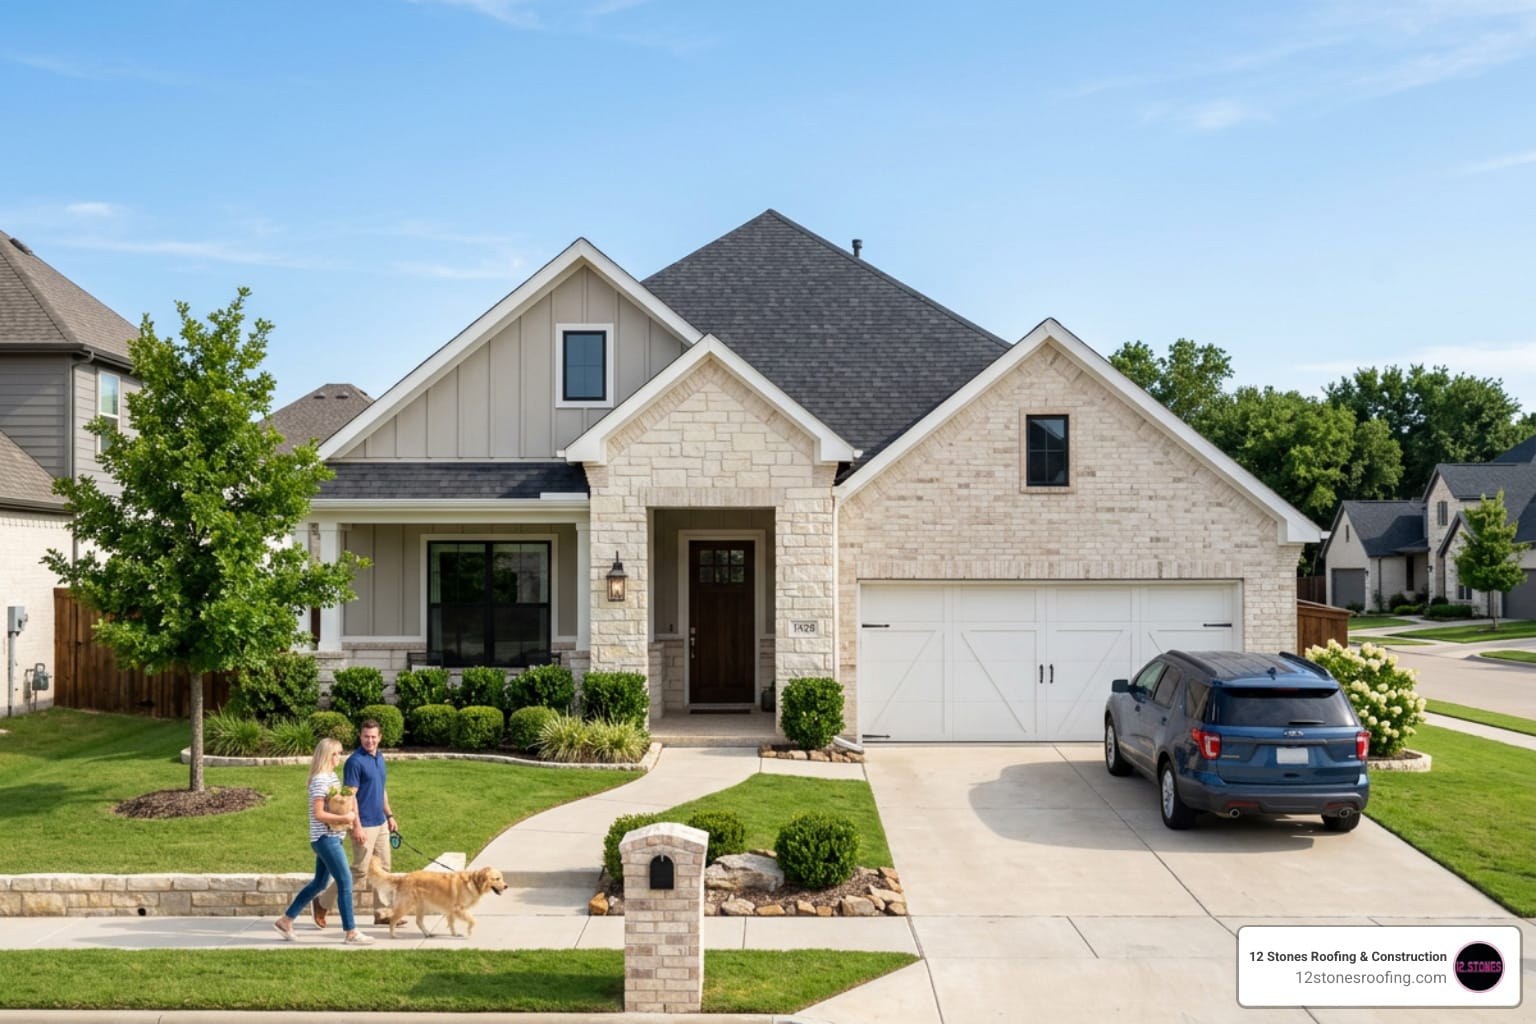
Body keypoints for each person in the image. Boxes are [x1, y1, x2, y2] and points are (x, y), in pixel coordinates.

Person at [272, 737, 373, 944]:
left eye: (341, 753)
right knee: (345, 881)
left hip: (333, 837)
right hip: (325, 839)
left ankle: (285, 920)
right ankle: (351, 932)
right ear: (328, 755)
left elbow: (340, 803)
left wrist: (350, 813)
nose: (340, 757)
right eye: (337, 753)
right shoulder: (319, 780)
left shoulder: (332, 778)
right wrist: (345, 818)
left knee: (320, 882)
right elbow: (319, 814)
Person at [313, 718, 398, 927]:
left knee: (384, 867)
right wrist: (356, 826)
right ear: (360, 737)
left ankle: (382, 913)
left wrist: (390, 815)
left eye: (373, 737)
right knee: (360, 870)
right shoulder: (355, 762)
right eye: (366, 737)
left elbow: (382, 790)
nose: (370, 741)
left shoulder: (379, 757)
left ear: (380, 738)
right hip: (364, 824)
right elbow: (350, 797)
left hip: (380, 822)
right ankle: (322, 902)